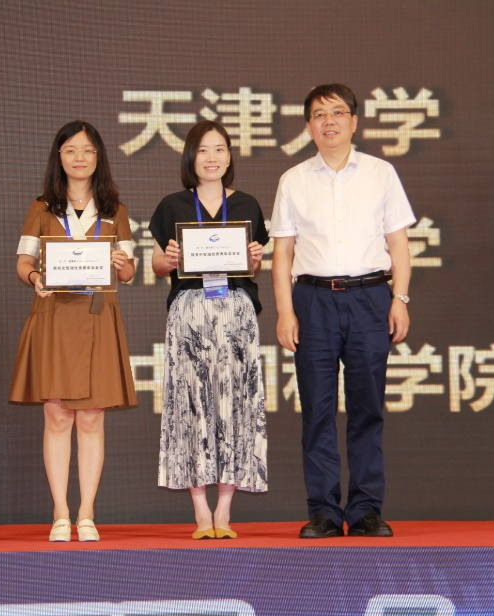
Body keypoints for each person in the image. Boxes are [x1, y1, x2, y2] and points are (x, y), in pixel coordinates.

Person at [270, 84, 415, 538]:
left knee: (367, 408)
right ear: (308, 126)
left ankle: (367, 509)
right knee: (317, 410)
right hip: (312, 301)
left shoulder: (381, 173)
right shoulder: (293, 180)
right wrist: (285, 311)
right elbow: (282, 254)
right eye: (319, 114)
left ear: (354, 121)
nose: (328, 121)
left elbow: (398, 244)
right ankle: (324, 512)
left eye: (337, 112)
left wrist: (400, 299)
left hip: (370, 298)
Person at [9, 120, 137, 543]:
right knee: (58, 415)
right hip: (55, 316)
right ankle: (60, 514)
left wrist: (123, 264)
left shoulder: (115, 209)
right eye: (70, 150)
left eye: (87, 151)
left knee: (92, 418)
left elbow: (129, 272)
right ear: (58, 157)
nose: (79, 158)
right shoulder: (42, 206)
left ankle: (87, 514)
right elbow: (24, 263)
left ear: (99, 157)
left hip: (98, 316)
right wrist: (35, 279)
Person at [150, 120, 269, 540]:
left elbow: (252, 269)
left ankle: (225, 510)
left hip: (236, 313)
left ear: (230, 155)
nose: (212, 157)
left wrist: (254, 259)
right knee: (191, 405)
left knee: (236, 403)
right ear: (191, 157)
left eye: (220, 149)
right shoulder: (172, 206)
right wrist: (168, 258)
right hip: (190, 313)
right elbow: (157, 265)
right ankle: (200, 510)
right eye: (203, 150)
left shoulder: (248, 204)